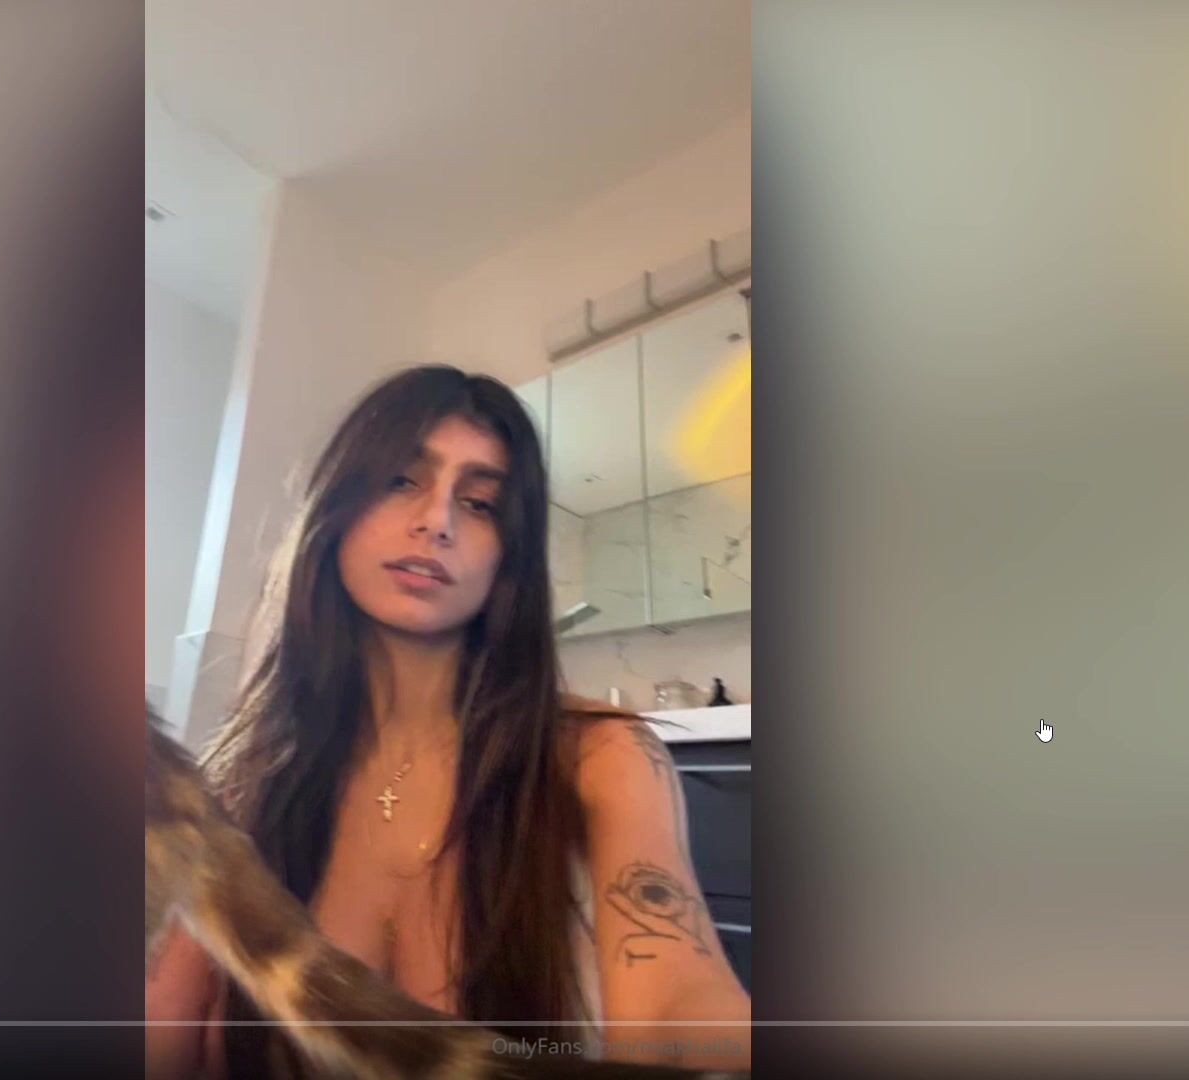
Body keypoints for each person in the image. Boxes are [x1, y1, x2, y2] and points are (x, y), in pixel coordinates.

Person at [145, 365, 751, 1077]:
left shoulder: (600, 757)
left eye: (480, 503)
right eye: (401, 480)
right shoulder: (237, 779)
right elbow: (160, 1027)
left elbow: (676, 1003)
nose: (437, 521)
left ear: (509, 559)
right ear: (334, 510)